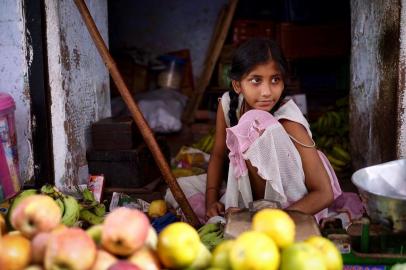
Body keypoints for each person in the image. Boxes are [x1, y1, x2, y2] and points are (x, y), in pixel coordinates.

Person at [205, 37, 342, 221]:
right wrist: (211, 200)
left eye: (275, 80)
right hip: (253, 198)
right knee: (185, 188)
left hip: (296, 209)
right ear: (237, 85)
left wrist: (274, 222)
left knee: (256, 120)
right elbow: (218, 155)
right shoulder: (229, 103)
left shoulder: (289, 121)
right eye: (256, 80)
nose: (267, 92)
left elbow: (324, 193)